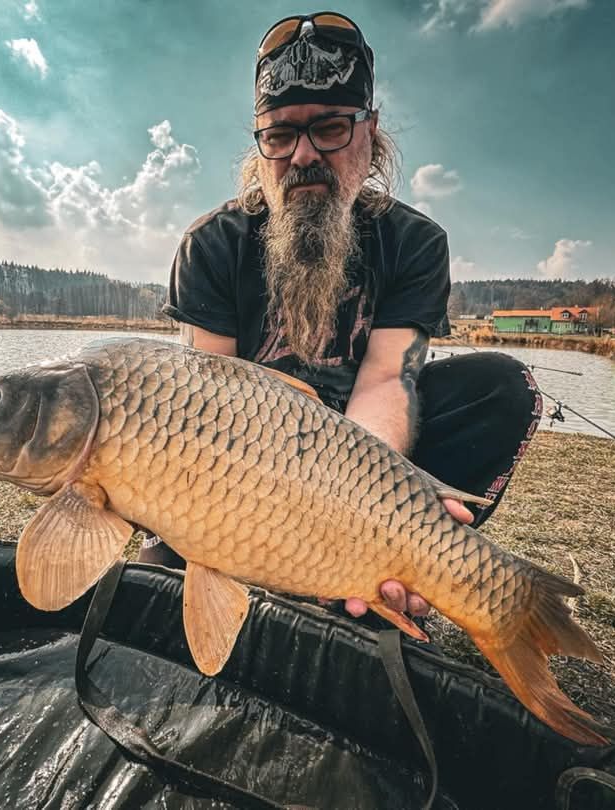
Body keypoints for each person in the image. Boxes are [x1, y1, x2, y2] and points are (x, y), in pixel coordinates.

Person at [140, 11, 541, 624]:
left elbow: (387, 380)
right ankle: (281, 572)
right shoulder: (211, 244)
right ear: (260, 144)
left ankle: (385, 567)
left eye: (328, 128)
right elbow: (206, 409)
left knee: (503, 389)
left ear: (371, 132)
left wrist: (357, 517)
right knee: (155, 604)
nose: (303, 154)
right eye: (279, 136)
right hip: (241, 471)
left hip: (363, 461)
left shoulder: (414, 242)